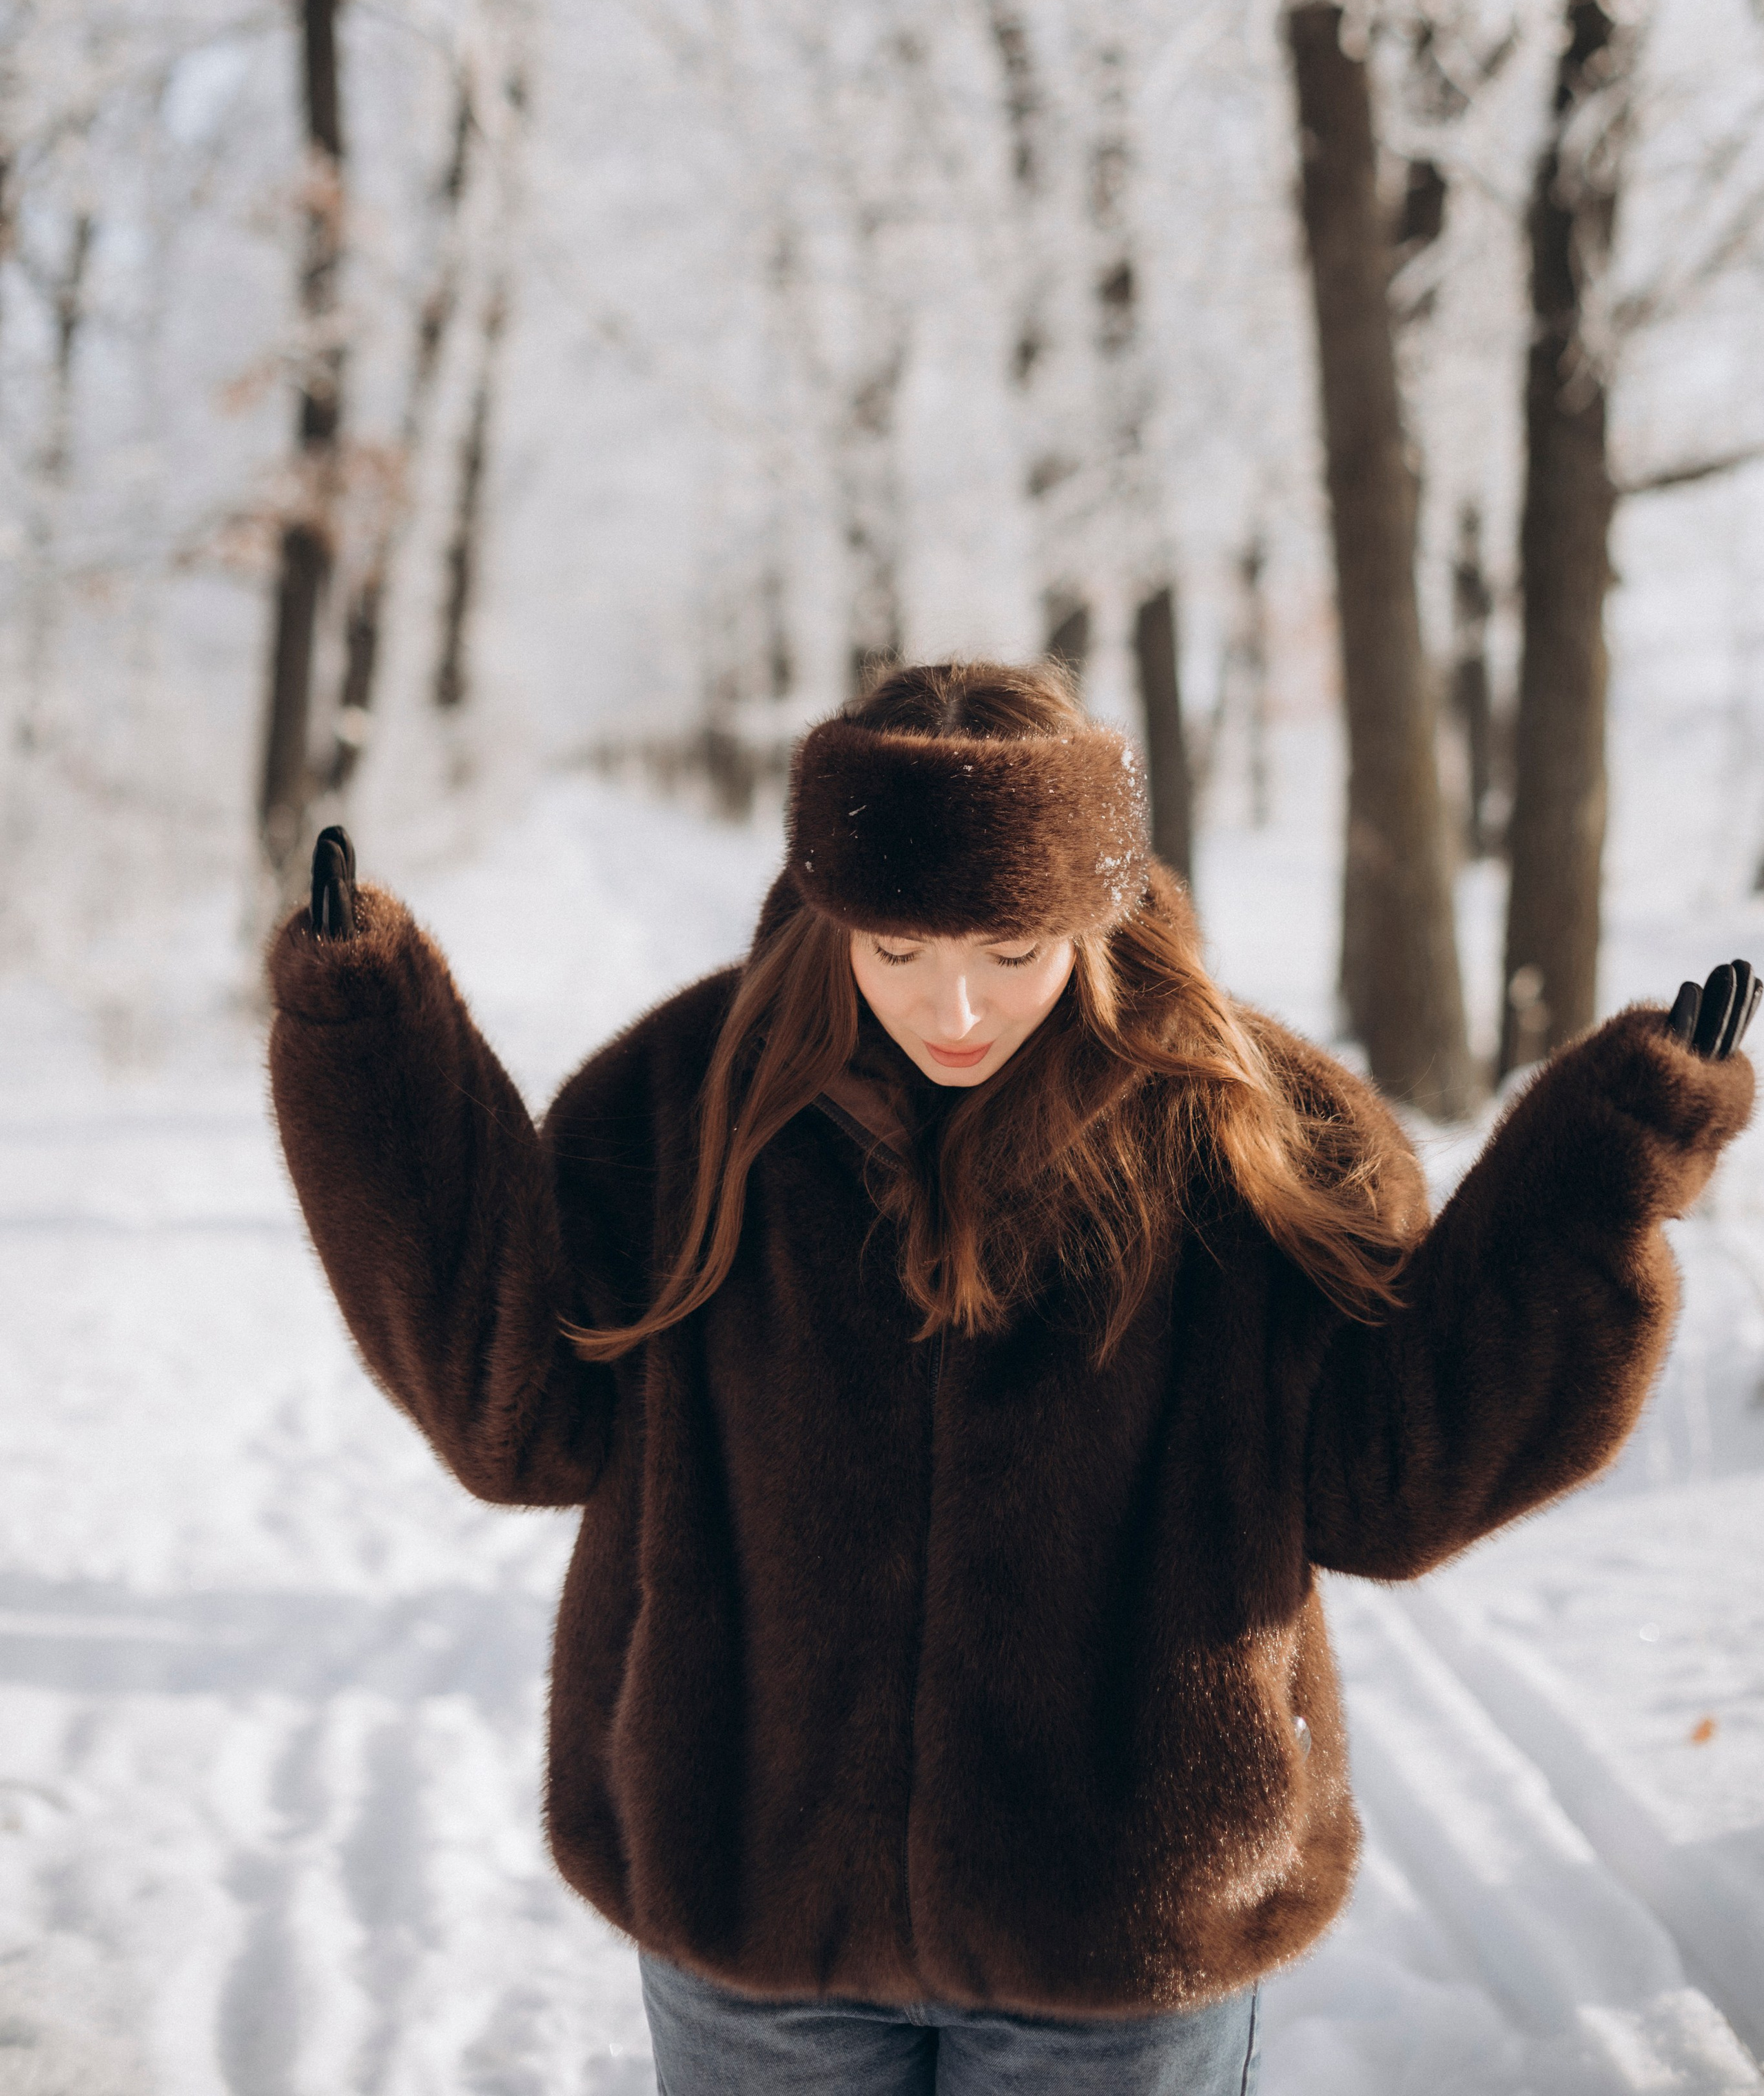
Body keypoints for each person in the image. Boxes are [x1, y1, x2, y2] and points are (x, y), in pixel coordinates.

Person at [268, 661, 1756, 2096]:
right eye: (899, 952)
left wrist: (1599, 1176)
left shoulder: (1252, 1130)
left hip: (1122, 1930)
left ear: (1093, 915)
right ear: (827, 910)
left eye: (1008, 954)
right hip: (753, 1915)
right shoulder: (681, 1106)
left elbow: (1395, 1481)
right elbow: (510, 1407)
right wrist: (370, 1052)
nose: (955, 1010)